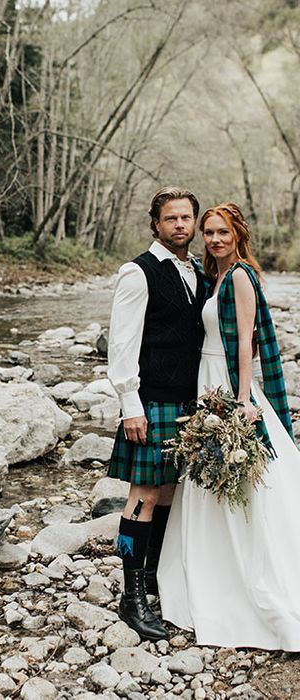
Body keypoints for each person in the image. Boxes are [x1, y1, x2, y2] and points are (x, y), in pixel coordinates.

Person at [159, 203, 300, 650]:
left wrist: (242, 402)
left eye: (223, 232)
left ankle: (243, 579)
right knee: (209, 479)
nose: (215, 239)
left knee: (240, 479)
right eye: (210, 233)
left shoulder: (239, 276)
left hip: (226, 386)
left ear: (238, 234)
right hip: (205, 383)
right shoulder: (213, 275)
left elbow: (245, 342)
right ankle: (208, 567)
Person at [106, 186, 206, 641]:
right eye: (171, 219)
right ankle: (131, 598)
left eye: (186, 218)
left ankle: (151, 578)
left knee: (166, 493)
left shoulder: (197, 271)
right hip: (151, 403)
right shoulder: (137, 272)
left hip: (185, 402)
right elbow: (122, 345)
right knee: (142, 496)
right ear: (156, 224)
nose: (180, 225)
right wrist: (131, 405)